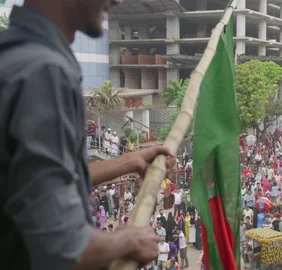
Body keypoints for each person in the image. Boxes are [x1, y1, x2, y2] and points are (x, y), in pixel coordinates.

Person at [0, 1, 179, 269]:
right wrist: (126, 241)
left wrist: (131, 161)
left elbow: (34, 181)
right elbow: (62, 246)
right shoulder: (44, 71)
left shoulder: (13, 52)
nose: (117, 1)